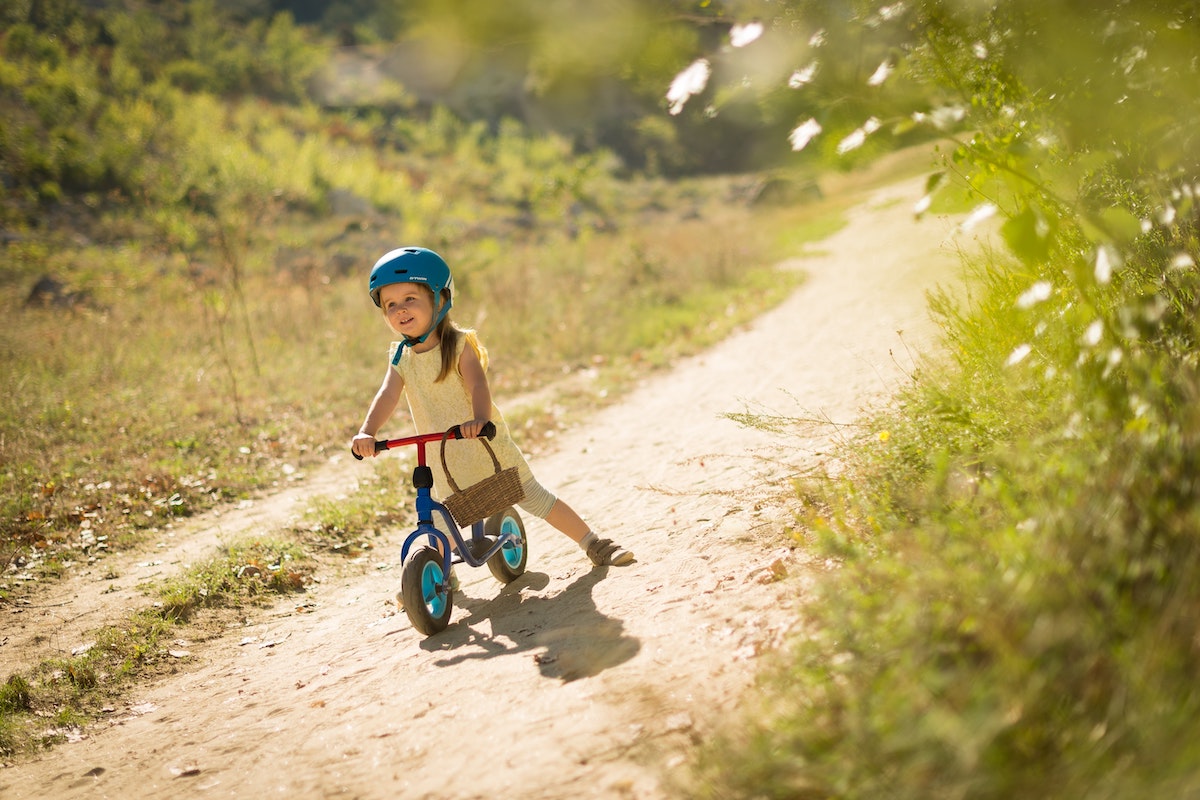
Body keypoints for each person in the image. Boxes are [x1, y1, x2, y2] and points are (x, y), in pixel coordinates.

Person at [350, 246, 635, 573]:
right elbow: (387, 394)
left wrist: (480, 418)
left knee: (533, 497)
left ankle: (593, 543)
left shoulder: (458, 344)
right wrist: (367, 431)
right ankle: (438, 579)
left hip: (483, 443)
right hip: (444, 456)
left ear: (440, 298)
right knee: (440, 520)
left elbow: (478, 385)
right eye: (390, 304)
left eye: (410, 299)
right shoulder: (401, 357)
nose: (400, 310)